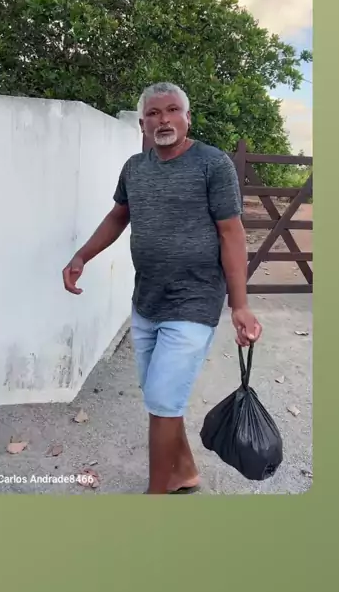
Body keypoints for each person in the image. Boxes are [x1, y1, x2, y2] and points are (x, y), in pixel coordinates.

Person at [62, 82, 262, 494]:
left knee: (162, 402)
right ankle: (184, 472)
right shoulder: (135, 168)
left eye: (172, 110)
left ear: (188, 118)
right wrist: (82, 256)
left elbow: (232, 233)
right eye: (153, 113)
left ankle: (155, 497)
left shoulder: (212, 164)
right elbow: (118, 216)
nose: (163, 119)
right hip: (147, 301)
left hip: (195, 300)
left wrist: (239, 305)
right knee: (160, 399)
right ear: (142, 124)